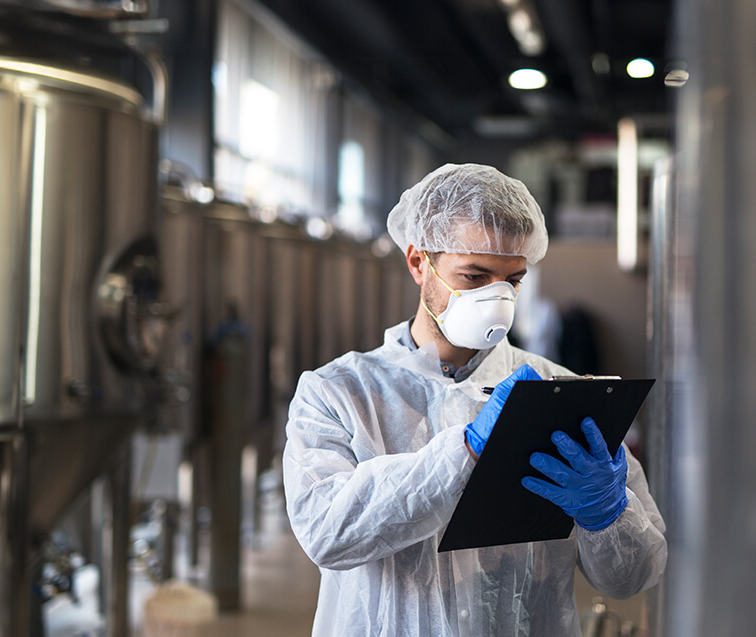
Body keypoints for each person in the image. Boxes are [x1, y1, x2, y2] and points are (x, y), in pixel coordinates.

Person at [281, 163, 667, 636]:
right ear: (419, 263)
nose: (497, 299)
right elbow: (328, 533)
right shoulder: (338, 392)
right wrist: (465, 449)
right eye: (474, 275)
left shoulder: (557, 391)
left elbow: (634, 577)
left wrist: (608, 514)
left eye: (513, 281)